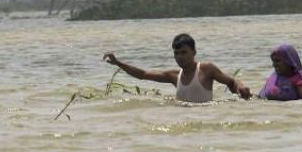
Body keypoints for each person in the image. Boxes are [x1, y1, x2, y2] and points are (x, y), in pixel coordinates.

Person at [103, 33, 251, 102]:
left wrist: (241, 88)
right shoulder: (174, 76)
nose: (180, 56)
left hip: (206, 117)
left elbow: (231, 82)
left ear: (194, 52)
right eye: (176, 53)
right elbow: (143, 74)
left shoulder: (206, 69)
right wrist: (118, 63)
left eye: (184, 52)